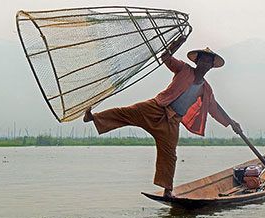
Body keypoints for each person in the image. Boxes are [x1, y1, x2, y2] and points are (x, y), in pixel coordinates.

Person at [83, 37, 242, 198]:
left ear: (211, 66)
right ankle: (93, 118)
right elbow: (166, 57)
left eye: (209, 62)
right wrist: (176, 44)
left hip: (173, 121)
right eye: (203, 60)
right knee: (127, 112)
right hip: (158, 107)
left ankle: (167, 190)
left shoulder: (206, 89)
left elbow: (214, 109)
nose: (205, 64)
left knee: (169, 154)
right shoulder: (184, 69)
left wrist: (231, 123)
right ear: (198, 61)